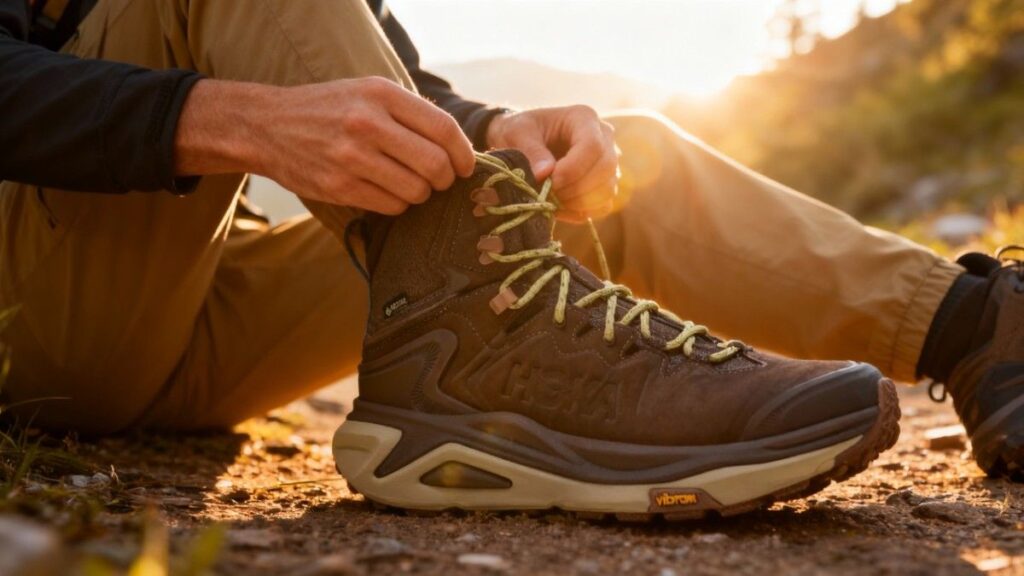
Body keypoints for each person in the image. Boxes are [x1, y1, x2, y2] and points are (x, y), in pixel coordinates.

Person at [0, 0, 1020, 518]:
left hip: (182, 320)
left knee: (573, 162)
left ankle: (980, 330)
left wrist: (499, 127)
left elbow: (381, 82)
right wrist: (222, 119)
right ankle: (485, 362)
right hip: (30, 321)